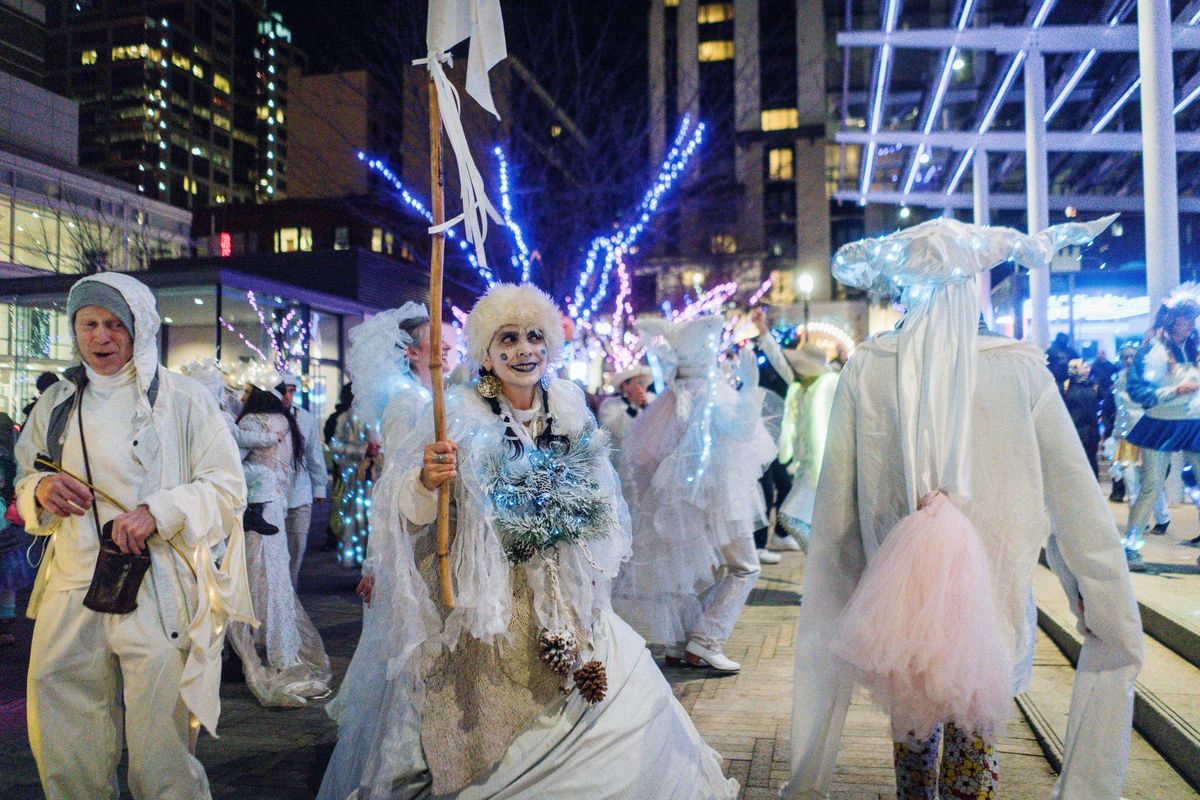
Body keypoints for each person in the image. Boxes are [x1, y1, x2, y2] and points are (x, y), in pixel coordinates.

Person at [317, 283, 736, 799]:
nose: (524, 350)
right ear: (487, 354)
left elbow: (600, 490)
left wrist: (570, 512)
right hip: (487, 604)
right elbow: (407, 513)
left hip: (568, 593)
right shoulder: (458, 413)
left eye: (535, 337)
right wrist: (427, 481)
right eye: (508, 339)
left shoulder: (566, 404)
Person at [787, 216, 1142, 800]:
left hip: (896, 604)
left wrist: (841, 589)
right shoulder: (1021, 367)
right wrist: (1092, 583)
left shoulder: (869, 367)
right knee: (975, 734)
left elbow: (838, 514)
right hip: (993, 594)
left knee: (913, 731)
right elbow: (1073, 493)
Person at [15, 272, 253, 799]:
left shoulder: (183, 399)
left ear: (139, 328)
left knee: (160, 739)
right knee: (63, 726)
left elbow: (227, 487)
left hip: (156, 589)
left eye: (113, 325)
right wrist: (41, 489)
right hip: (73, 584)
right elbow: (27, 472)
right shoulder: (56, 403)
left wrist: (160, 511)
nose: (100, 337)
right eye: (89, 325)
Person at [614, 314, 776, 672]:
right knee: (744, 568)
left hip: (682, 502)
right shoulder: (712, 393)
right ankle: (705, 640)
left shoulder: (669, 399)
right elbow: (741, 430)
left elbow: (645, 455)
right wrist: (750, 389)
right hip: (720, 498)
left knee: (695, 570)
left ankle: (679, 642)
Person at [226, 386, 331, 707]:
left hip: (257, 509)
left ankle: (255, 645)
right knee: (275, 578)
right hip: (277, 507)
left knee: (250, 576)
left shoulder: (255, 422)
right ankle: (277, 644)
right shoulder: (285, 423)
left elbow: (232, 460)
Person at [1121, 291, 1200, 571]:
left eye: (1193, 320)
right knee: (1152, 485)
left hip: (1193, 421)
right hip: (1160, 422)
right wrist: (1175, 390)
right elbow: (1137, 391)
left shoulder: (1194, 346)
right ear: (1171, 319)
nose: (1190, 325)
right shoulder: (1151, 349)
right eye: (1185, 320)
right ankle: (1130, 548)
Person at [776, 343, 840, 550]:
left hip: (821, 467)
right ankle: (819, 556)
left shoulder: (828, 384)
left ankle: (819, 553)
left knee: (791, 514)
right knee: (797, 516)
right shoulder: (800, 388)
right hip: (805, 465)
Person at [276, 372, 329, 586]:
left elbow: (314, 454)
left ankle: (292, 589)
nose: (288, 396)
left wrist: (319, 488)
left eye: (291, 391)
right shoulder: (265, 418)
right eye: (284, 391)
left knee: (297, 545)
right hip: (273, 494)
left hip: (300, 491)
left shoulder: (305, 418)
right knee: (276, 547)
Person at [598, 364, 652, 451]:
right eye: (639, 383)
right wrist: (634, 406)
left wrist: (646, 407)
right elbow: (620, 432)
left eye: (644, 383)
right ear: (625, 386)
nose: (643, 387)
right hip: (621, 459)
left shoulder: (652, 400)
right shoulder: (609, 405)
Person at [1063, 358, 1101, 478]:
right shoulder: (1065, 386)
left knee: (1092, 460)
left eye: (1088, 367)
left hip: (1091, 431)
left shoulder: (1094, 386)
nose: (1088, 369)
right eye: (1084, 367)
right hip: (1074, 430)